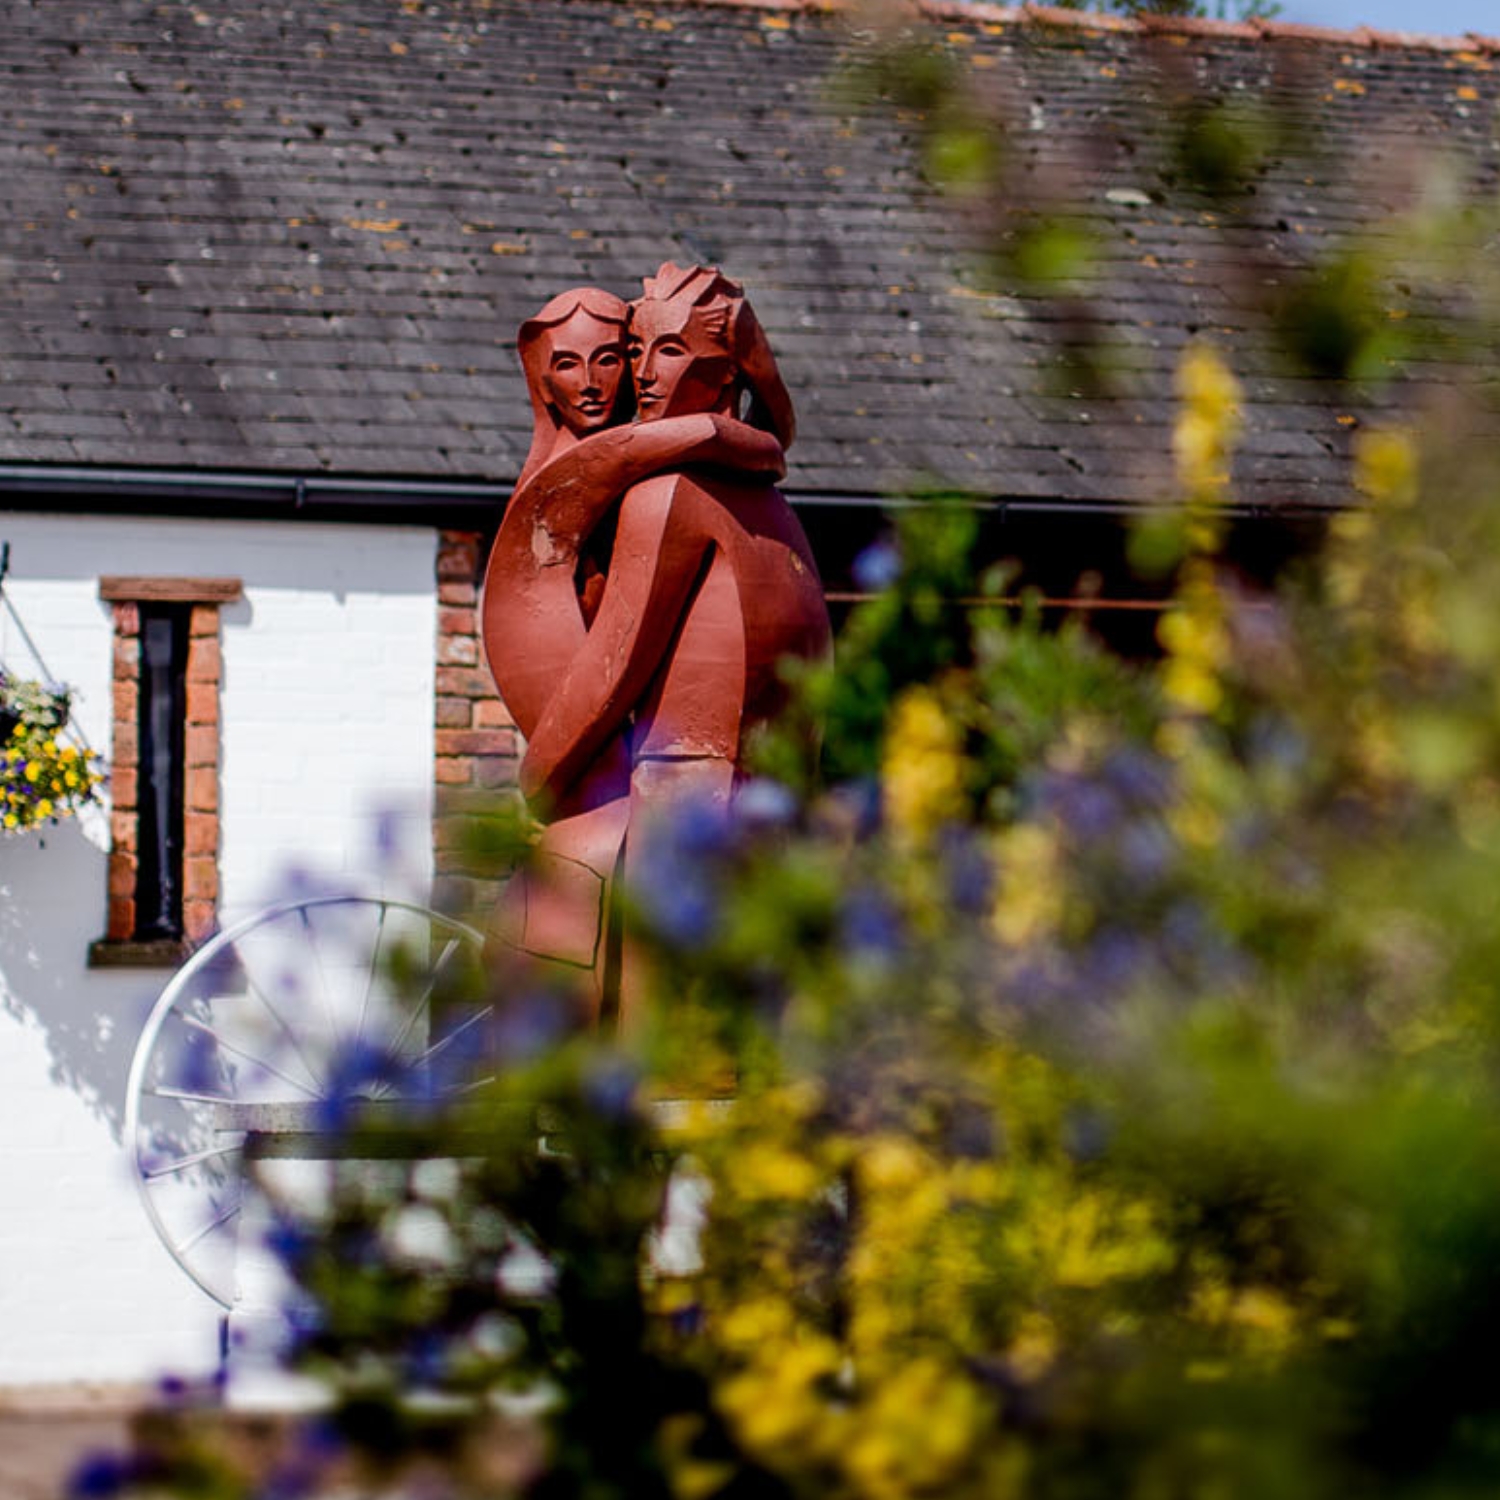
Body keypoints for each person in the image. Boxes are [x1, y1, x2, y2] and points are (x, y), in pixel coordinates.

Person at [516, 264, 832, 1028]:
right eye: (641, 348)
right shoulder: (764, 502)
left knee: (668, 1022)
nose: (644, 375)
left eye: (673, 352)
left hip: (687, 783)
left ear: (725, 372)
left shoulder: (668, 497)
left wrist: (538, 771)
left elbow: (616, 663)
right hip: (771, 788)